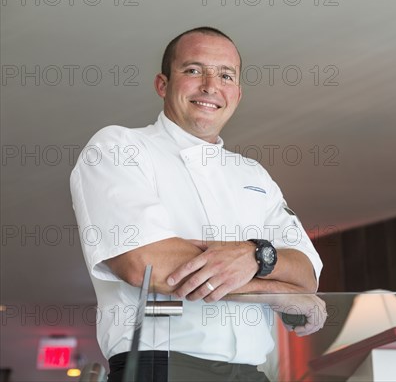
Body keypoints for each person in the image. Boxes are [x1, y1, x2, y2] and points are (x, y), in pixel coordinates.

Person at [70, 27, 324, 381]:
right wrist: (277, 293)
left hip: (253, 374)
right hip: (162, 368)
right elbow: (147, 266)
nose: (210, 85)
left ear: (237, 93)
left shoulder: (253, 174)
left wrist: (253, 255)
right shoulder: (119, 148)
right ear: (163, 84)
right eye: (193, 70)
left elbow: (306, 273)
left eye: (225, 75)